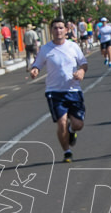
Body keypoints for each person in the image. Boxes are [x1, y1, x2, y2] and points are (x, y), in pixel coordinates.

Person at [30, 17, 88, 163]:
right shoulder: (46, 48)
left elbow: (83, 63)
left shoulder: (73, 46)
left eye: (61, 28)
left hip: (73, 90)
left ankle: (71, 131)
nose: (58, 31)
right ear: (51, 31)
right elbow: (37, 64)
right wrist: (35, 70)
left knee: (78, 125)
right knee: (61, 122)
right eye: (55, 28)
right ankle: (67, 152)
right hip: (54, 91)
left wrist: (81, 72)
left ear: (66, 30)